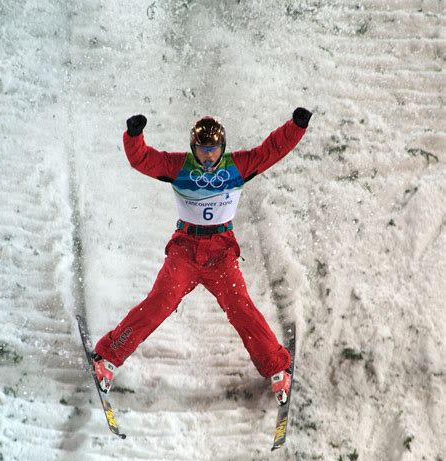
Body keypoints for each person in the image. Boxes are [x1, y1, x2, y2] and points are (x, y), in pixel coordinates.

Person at [92, 107, 312, 404]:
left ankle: (277, 368)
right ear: (193, 148)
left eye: (213, 150)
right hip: (185, 250)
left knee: (240, 308)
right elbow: (142, 159)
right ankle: (108, 357)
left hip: (220, 253)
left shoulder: (237, 165)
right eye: (202, 150)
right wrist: (134, 136)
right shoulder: (179, 166)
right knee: (160, 303)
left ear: (223, 148)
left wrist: (296, 126)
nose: (208, 157)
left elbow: (272, 149)